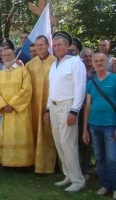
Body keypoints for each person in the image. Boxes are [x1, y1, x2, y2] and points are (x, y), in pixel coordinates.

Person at [44, 31, 86, 192]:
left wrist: (74, 111)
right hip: (54, 107)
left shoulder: (75, 63)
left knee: (69, 144)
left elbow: (79, 88)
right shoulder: (55, 64)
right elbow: (51, 89)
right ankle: (68, 175)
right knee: (60, 143)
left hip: (68, 106)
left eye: (60, 45)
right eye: (54, 46)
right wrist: (48, 108)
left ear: (67, 46)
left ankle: (78, 180)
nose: (57, 48)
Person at [0, 49, 34, 167]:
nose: (6, 57)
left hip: (19, 111)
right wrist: (2, 105)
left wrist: (12, 104)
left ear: (14, 56)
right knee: (6, 136)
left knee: (19, 135)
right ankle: (5, 162)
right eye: (4, 55)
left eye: (9, 55)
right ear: (1, 57)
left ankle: (23, 163)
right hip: (5, 112)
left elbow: (27, 89)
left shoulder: (23, 72)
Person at [83, 52, 116, 198]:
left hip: (110, 125)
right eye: (96, 61)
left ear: (106, 61)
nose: (99, 63)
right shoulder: (91, 83)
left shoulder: (114, 79)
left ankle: (115, 187)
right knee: (100, 157)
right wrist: (85, 129)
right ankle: (105, 185)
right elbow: (88, 107)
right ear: (93, 64)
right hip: (94, 125)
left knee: (112, 158)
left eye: (102, 60)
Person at [25, 35, 57, 174]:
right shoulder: (30, 64)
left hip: (51, 105)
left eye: (41, 45)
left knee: (50, 134)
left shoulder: (56, 61)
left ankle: (51, 166)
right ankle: (35, 164)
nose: (39, 47)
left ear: (47, 45)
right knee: (34, 132)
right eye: (37, 45)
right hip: (33, 105)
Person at [79, 48, 94, 181]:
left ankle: (89, 169)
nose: (88, 58)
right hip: (81, 110)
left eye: (90, 56)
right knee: (83, 140)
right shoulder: (79, 71)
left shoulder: (99, 71)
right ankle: (83, 169)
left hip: (96, 111)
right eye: (86, 56)